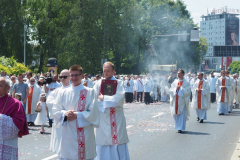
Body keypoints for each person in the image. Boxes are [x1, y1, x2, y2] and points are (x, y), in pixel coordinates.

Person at [52, 65, 100, 160]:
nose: (74, 78)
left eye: (76, 75)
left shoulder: (90, 92)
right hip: (68, 134)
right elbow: (56, 109)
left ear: (82, 76)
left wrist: (77, 115)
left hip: (84, 134)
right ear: (69, 76)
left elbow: (94, 112)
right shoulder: (63, 92)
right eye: (72, 75)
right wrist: (64, 113)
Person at [93, 62, 130, 160]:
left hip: (116, 118)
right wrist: (101, 101)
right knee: (102, 142)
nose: (105, 73)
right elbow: (93, 99)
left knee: (117, 142)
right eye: (104, 71)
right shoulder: (98, 83)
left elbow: (118, 99)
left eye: (108, 71)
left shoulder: (119, 83)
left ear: (113, 72)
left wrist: (103, 98)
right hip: (102, 119)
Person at [0, 77, 29, 159]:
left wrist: (1, 119)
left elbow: (18, 124)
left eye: (0, 85)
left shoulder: (16, 104)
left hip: (6, 143)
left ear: (8, 88)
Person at [46, 69, 71, 153]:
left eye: (65, 77)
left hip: (71, 120)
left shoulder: (74, 90)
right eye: (61, 77)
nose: (62, 79)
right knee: (60, 147)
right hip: (59, 119)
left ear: (69, 77)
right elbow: (49, 101)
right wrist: (61, 109)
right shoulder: (57, 90)